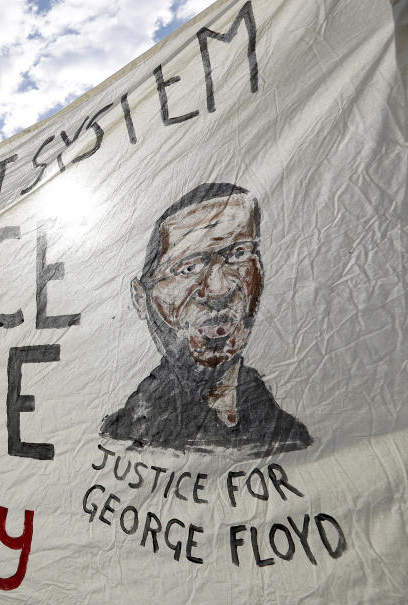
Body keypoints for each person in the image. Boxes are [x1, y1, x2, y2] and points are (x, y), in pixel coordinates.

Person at [100, 183, 312, 458]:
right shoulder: (123, 438)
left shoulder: (288, 434)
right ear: (141, 298)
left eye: (238, 254)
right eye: (188, 267)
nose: (219, 289)